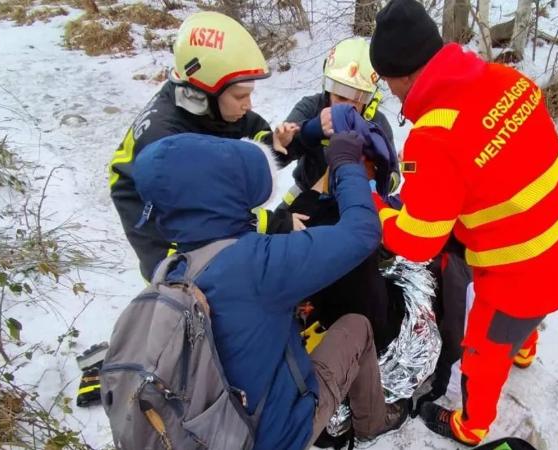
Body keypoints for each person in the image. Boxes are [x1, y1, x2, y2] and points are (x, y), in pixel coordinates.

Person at [368, 0, 558, 446]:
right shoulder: (509, 81)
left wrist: (374, 205)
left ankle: (471, 425)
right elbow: (498, 174)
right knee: (524, 327)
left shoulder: (434, 135)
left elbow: (417, 241)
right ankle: (524, 350)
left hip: (516, 282)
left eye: (388, 81)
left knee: (483, 357)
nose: (390, 91)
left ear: (404, 75)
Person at [133, 132, 409, 450]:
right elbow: (362, 233)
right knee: (358, 326)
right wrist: (346, 163)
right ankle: (373, 422)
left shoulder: (171, 267)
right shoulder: (258, 264)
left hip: (205, 428)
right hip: (273, 436)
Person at [108, 11, 296, 281]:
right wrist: (276, 223)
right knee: (198, 289)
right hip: (158, 227)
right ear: (203, 92)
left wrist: (271, 144)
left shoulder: (203, 106)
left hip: (181, 197)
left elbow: (244, 130)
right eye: (241, 96)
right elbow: (212, 214)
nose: (249, 104)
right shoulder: (167, 141)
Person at [259, 37, 395, 234]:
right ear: (328, 88)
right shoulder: (310, 107)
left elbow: (392, 178)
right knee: (276, 239)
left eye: (355, 99)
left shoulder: (377, 124)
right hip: (306, 195)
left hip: (354, 203)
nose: (345, 107)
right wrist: (310, 131)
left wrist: (377, 175)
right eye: (339, 96)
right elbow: (275, 161)